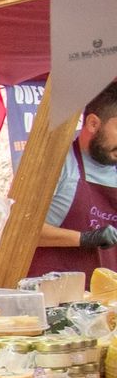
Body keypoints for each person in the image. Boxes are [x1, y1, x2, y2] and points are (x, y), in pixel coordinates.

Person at [30, 80, 117, 278]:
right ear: (93, 123)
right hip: (56, 298)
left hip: (107, 301)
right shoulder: (56, 165)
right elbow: (19, 229)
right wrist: (84, 238)